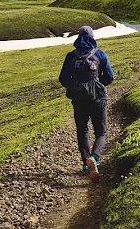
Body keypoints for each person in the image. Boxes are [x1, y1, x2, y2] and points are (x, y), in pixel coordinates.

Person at [58, 26, 114, 182]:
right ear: (92, 37)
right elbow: (109, 77)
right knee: (101, 132)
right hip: (98, 100)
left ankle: (85, 162)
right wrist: (97, 87)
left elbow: (63, 79)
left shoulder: (71, 56)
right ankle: (94, 158)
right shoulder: (100, 54)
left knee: (82, 130)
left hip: (78, 100)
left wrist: (76, 87)